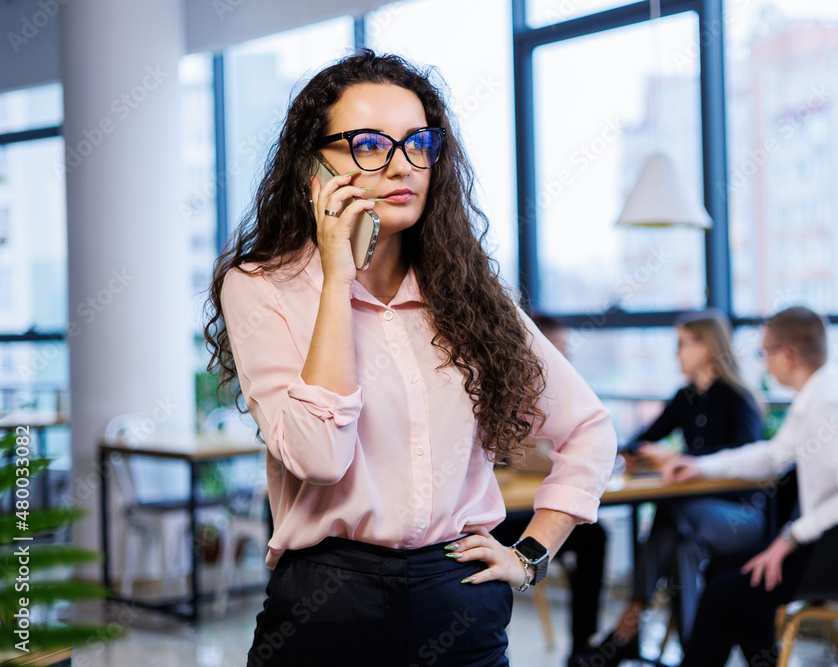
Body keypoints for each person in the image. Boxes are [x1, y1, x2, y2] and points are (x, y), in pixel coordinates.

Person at [204, 50, 617, 666]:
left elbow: (587, 429)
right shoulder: (261, 287)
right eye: (370, 143)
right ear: (314, 166)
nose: (402, 166)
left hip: (457, 595)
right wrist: (336, 278)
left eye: (417, 141)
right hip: (327, 602)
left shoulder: (472, 296)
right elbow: (319, 457)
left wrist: (530, 553)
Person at [662, 306, 838, 667]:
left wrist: (789, 538)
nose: (763, 362)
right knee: (730, 572)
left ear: (786, 356)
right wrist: (700, 466)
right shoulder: (821, 394)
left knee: (725, 592)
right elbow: (774, 456)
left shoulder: (832, 404)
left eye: (764, 352)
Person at [578, 309, 766, 667]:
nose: (675, 353)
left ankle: (627, 627)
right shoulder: (686, 397)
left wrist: (679, 457)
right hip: (691, 518)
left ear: (707, 347)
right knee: (680, 546)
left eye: (681, 344)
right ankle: (694, 654)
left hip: (740, 517)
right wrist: (640, 453)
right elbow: (642, 439)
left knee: (672, 513)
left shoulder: (737, 398)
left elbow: (748, 458)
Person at [490, 314, 609, 667]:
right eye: (555, 350)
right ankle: (494, 649)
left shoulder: (567, 396)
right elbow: (519, 455)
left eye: (565, 350)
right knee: (486, 540)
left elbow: (588, 436)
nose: (563, 359)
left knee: (594, 536)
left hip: (537, 508)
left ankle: (581, 649)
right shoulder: (508, 388)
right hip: (503, 514)